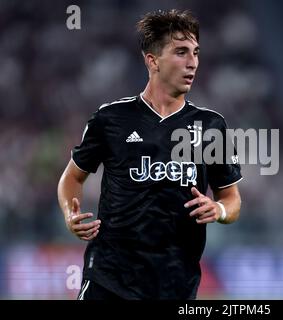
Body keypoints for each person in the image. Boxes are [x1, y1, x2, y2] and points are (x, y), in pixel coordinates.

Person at [57, 9, 242, 300]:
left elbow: (231, 198)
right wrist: (71, 214)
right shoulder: (111, 118)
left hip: (175, 283)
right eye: (181, 52)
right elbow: (72, 177)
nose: (192, 62)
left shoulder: (211, 126)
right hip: (109, 277)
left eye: (195, 52)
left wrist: (218, 210)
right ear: (152, 61)